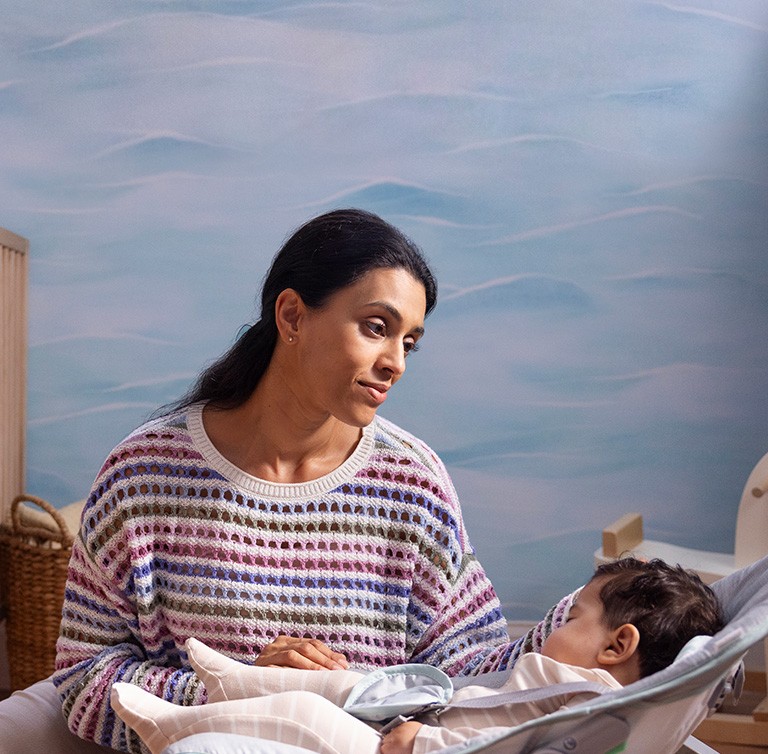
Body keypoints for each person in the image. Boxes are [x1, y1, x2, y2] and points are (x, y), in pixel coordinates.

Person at [0, 208, 566, 754]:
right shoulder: (143, 476)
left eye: (409, 342)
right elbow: (83, 676)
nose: (396, 362)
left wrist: (583, 618)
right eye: (377, 328)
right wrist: (245, 689)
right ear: (292, 316)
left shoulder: (414, 484)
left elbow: (472, 673)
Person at [108, 557, 725, 754]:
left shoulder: (592, 707)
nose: (555, 624)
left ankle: (175, 725)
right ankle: (235, 680)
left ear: (618, 645)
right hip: (424, 716)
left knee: (307, 715)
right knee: (346, 686)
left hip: (408, 749)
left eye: (573, 617)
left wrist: (423, 743)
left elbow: (504, 750)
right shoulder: (570, 684)